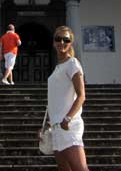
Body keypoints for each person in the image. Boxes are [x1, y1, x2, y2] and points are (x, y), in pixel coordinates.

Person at [47, 26, 89, 171]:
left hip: (68, 126)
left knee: (80, 169)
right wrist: (48, 124)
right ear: (53, 42)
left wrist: (68, 119)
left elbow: (81, 95)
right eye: (58, 39)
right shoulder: (59, 67)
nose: (62, 42)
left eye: (66, 39)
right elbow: (54, 98)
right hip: (56, 127)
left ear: (71, 43)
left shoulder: (73, 64)